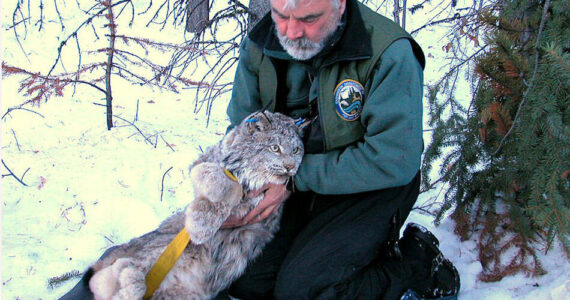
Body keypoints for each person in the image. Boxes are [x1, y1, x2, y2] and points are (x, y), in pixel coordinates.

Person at [218, 0, 460, 299]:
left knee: (305, 291)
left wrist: (294, 179)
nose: (291, 32)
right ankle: (313, 251)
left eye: (309, 18)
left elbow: (393, 161)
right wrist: (233, 191)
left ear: (340, 5)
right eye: (281, 16)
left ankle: (413, 264)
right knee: (242, 275)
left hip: (369, 186)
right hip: (295, 180)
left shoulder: (388, 52)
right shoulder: (260, 45)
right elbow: (241, 130)